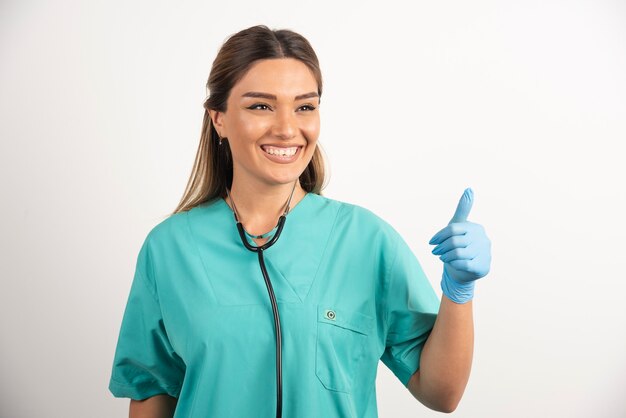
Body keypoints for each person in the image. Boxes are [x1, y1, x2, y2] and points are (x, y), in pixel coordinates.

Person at [108, 24, 492, 418]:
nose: (288, 128)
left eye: (304, 106)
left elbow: (441, 393)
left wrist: (459, 293)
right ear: (218, 118)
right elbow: (152, 393)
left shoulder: (366, 241)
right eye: (261, 106)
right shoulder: (170, 249)